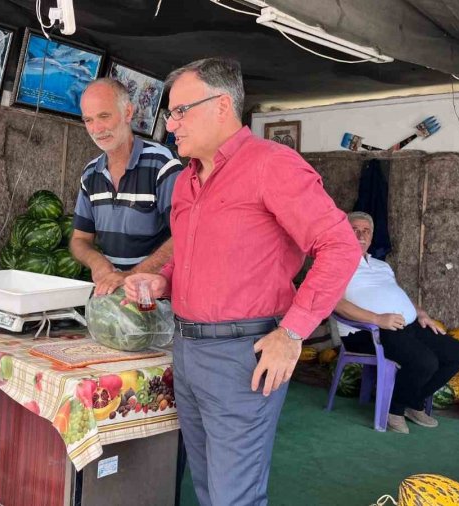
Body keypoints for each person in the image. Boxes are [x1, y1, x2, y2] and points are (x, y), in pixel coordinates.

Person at [124, 58, 361, 506]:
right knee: (208, 487)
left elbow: (340, 245)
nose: (170, 124)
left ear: (221, 106)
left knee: (235, 496)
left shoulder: (272, 165)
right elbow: (193, 255)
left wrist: (292, 333)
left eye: (179, 111)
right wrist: (162, 281)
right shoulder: (187, 181)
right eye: (169, 114)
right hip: (187, 347)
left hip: (241, 356)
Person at [335, 211, 459, 434]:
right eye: (354, 229)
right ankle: (394, 409)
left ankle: (413, 402)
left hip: (405, 325)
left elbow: (398, 295)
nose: (361, 235)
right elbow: (335, 303)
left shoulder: (382, 266)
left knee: (457, 354)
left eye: (366, 231)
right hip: (367, 331)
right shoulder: (335, 263)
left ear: (371, 236)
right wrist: (377, 319)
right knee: (425, 362)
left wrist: (422, 314)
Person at [71, 78, 182, 295]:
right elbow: (79, 239)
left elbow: (184, 235)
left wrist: (131, 276)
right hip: (113, 297)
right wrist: (97, 262)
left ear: (128, 113)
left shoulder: (162, 164)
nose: (97, 129)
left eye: (104, 116)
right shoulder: (90, 173)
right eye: (88, 120)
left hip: (155, 299)